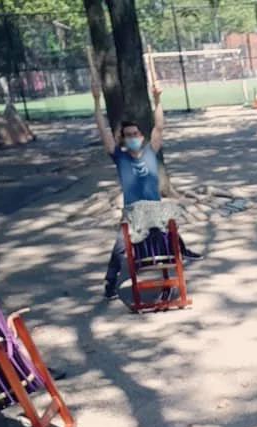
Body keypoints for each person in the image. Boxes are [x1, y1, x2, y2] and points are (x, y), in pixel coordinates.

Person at [91, 77, 165, 299]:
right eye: (128, 135)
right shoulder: (120, 158)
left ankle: (167, 284)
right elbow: (103, 131)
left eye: (136, 134)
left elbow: (159, 126)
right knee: (119, 248)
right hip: (131, 215)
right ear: (123, 139)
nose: (133, 137)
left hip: (154, 212)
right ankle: (110, 283)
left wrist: (158, 99)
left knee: (168, 242)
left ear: (142, 136)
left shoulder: (151, 151)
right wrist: (96, 101)